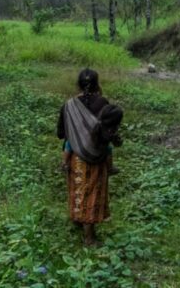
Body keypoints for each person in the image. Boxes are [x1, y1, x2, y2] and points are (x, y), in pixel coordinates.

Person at [56, 68, 123, 246]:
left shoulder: (69, 105)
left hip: (76, 158)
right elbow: (108, 130)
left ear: (78, 84)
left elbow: (61, 133)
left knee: (78, 191)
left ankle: (78, 220)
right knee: (92, 194)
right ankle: (89, 238)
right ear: (97, 83)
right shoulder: (103, 102)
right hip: (97, 158)